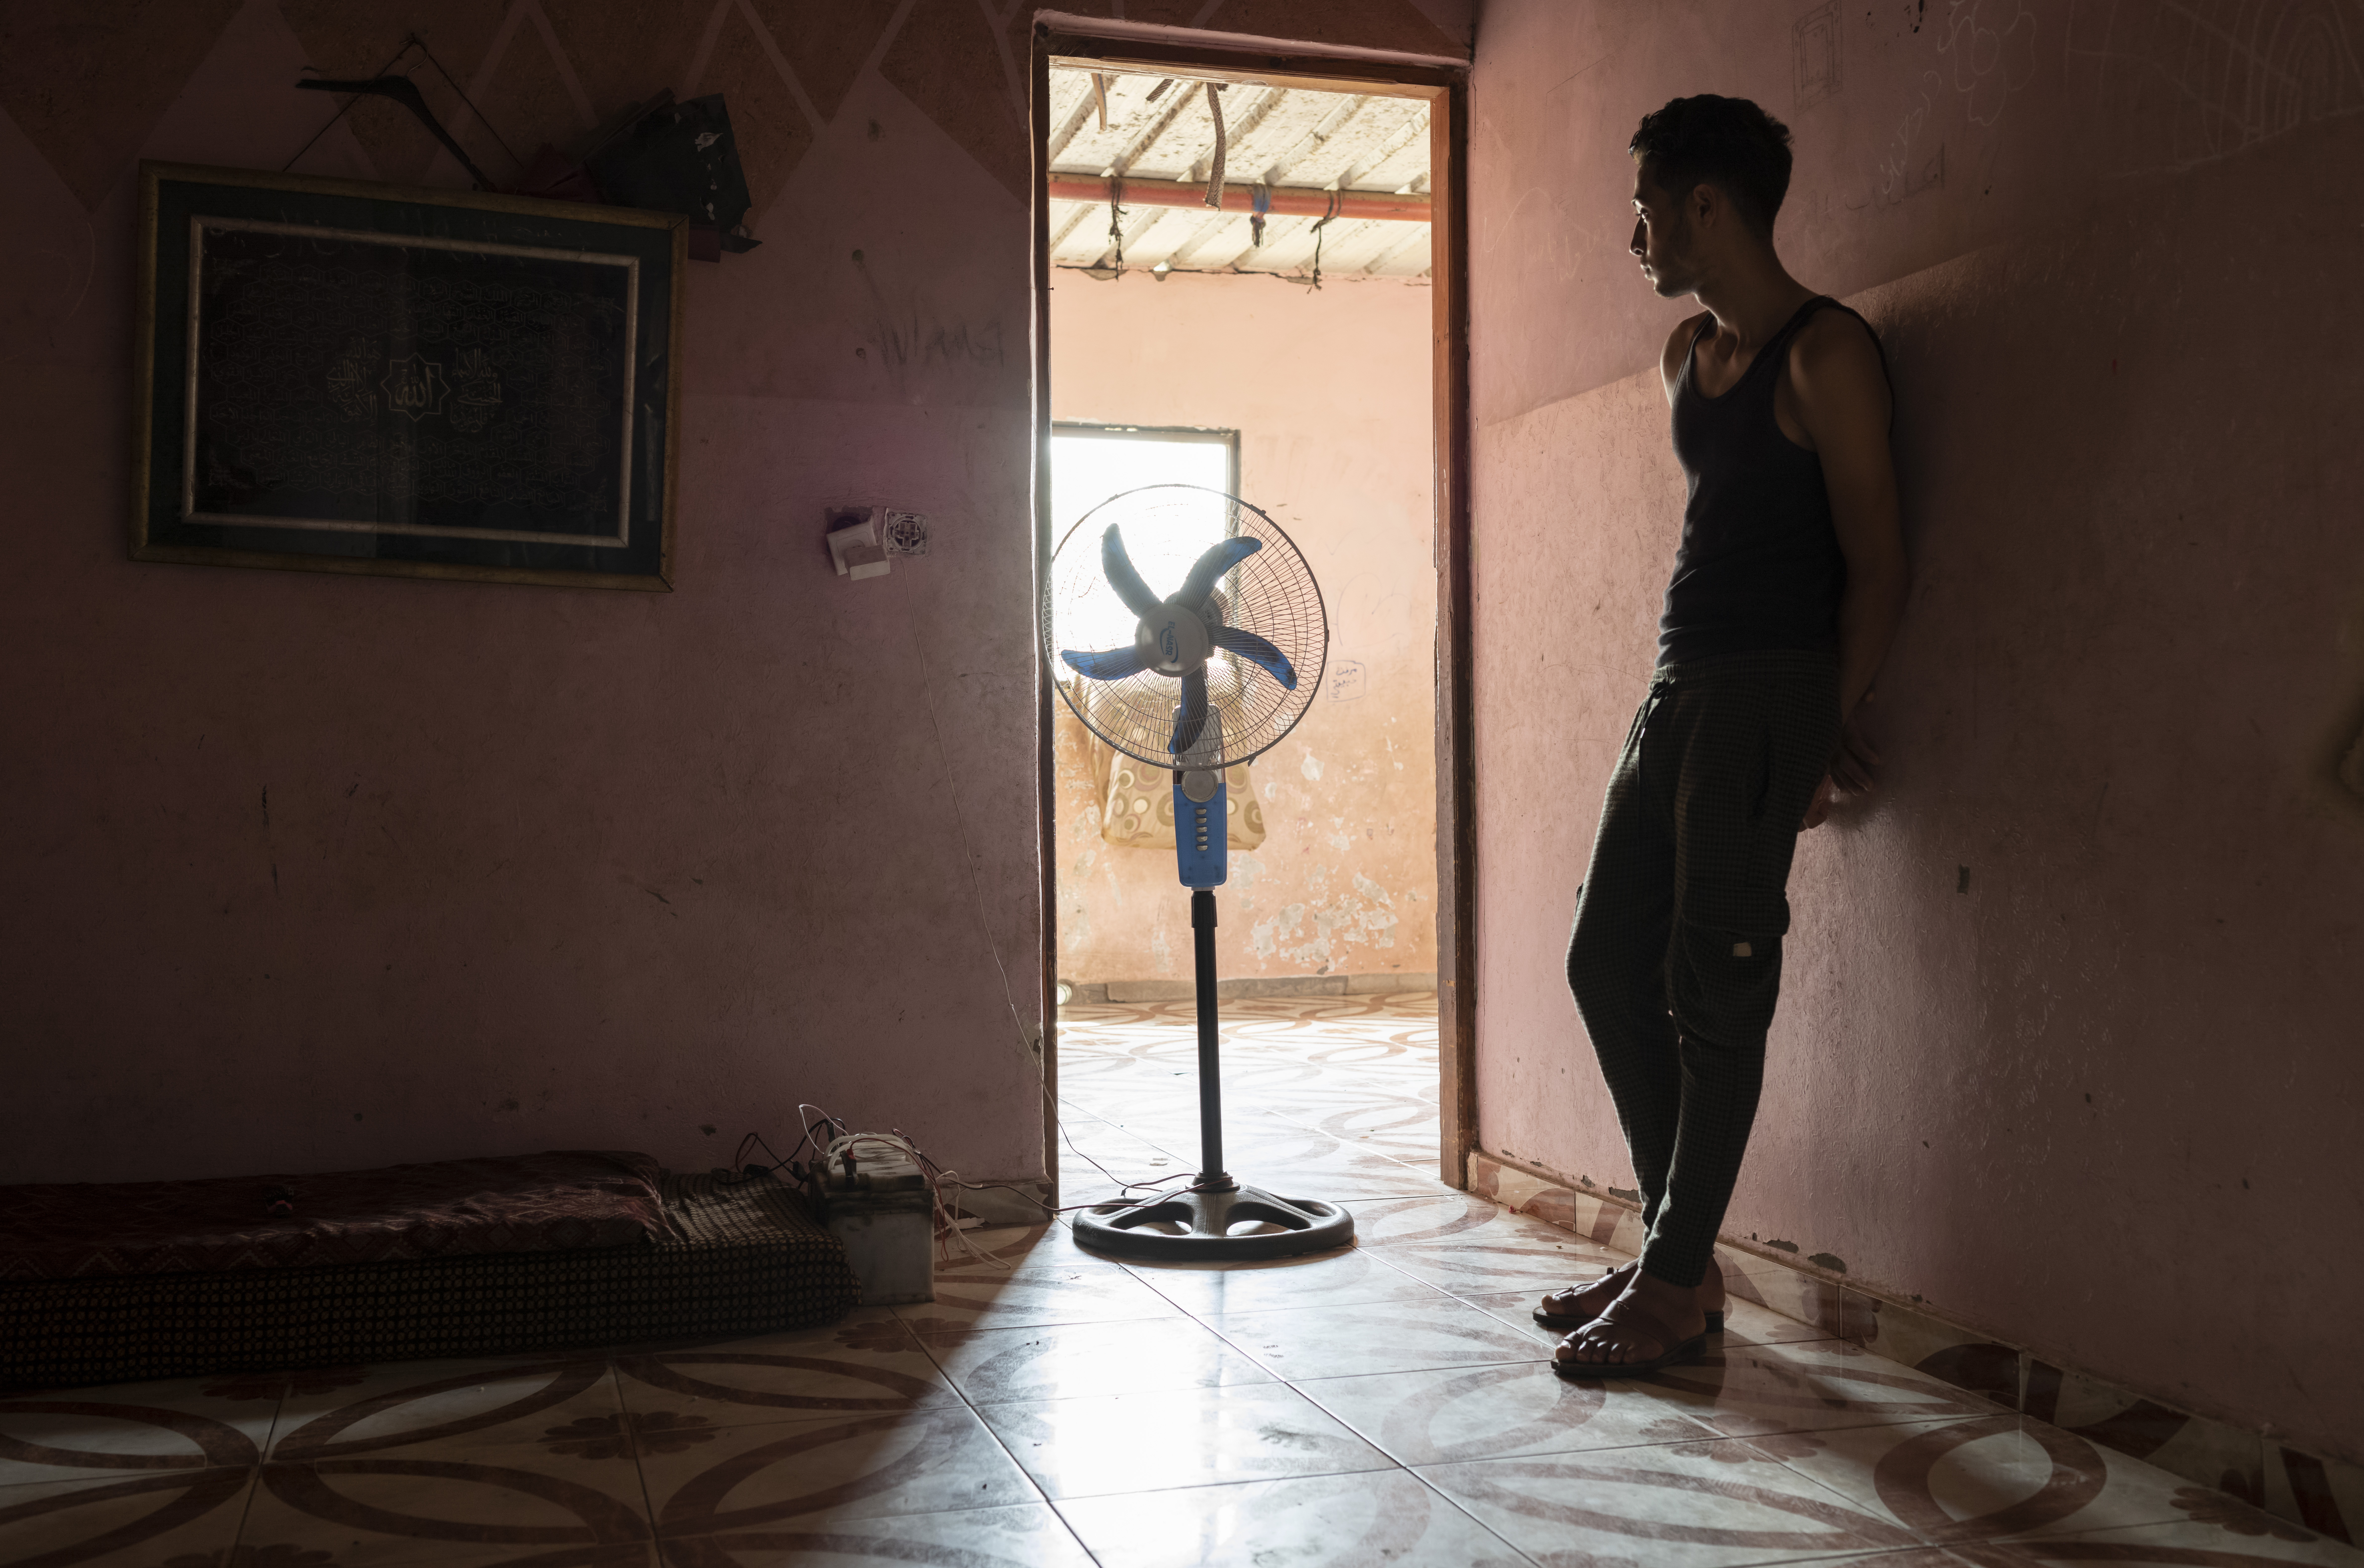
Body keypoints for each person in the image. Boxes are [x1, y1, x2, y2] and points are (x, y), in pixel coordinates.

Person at [1535, 95, 1907, 1377]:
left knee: (1717, 999)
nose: (1632, 235)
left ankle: (1677, 1284)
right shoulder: (1685, 359)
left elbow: (1879, 564)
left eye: (1646, 205)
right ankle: (1674, 1263)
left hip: (1763, 697)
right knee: (1602, 964)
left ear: (1705, 206)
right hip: (1676, 690)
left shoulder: (1829, 355)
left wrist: (1821, 725)